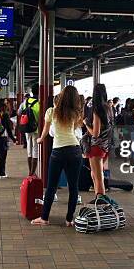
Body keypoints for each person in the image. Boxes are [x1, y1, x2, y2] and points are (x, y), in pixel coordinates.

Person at [31, 85, 83, 227]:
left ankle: (44, 218)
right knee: (73, 187)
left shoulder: (51, 111)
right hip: (75, 151)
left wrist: (40, 140)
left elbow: (45, 131)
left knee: (51, 186)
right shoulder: (75, 113)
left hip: (58, 152)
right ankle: (69, 219)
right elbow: (73, 131)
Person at [83, 84, 114, 204]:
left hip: (96, 147)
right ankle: (98, 197)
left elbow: (95, 133)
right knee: (95, 174)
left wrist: (86, 124)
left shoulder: (97, 110)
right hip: (106, 146)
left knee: (98, 176)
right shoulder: (109, 108)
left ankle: (101, 200)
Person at [18, 92, 40, 176]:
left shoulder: (25, 102)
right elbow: (40, 116)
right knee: (35, 149)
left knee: (29, 149)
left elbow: (19, 112)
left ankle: (30, 171)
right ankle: (32, 172)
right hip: (35, 129)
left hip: (27, 128)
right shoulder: (38, 103)